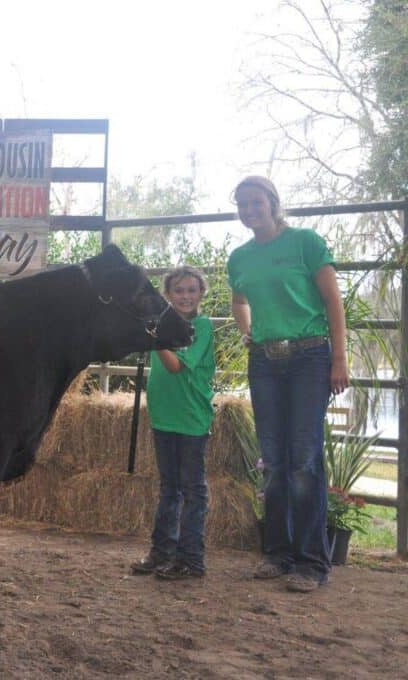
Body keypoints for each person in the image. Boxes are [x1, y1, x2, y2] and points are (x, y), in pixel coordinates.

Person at [228, 175, 348, 593]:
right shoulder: (239, 257)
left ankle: (313, 562)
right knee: (274, 463)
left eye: (255, 202)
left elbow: (333, 299)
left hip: (310, 358)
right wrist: (249, 334)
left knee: (304, 461)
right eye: (241, 204)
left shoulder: (305, 243)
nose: (248, 210)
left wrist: (339, 357)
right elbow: (239, 299)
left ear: (273, 203)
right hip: (264, 361)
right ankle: (278, 554)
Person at [130, 265, 216, 580]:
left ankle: (191, 559)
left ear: (201, 293)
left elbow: (178, 366)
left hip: (191, 417)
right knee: (169, 488)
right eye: (179, 290)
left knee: (193, 489)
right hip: (164, 415)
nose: (185, 296)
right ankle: (162, 552)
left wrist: (156, 338)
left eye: (192, 290)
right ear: (167, 295)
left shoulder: (201, 327)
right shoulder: (162, 327)